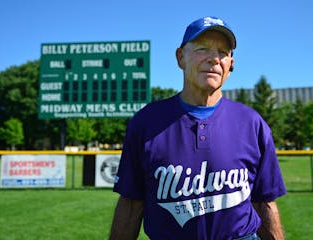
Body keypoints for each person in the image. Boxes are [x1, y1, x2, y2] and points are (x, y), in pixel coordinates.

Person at [110, 16, 286, 240]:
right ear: (180, 57)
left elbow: (265, 203)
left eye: (223, 52)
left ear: (230, 64)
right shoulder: (146, 122)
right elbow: (131, 203)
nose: (214, 58)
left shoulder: (251, 122)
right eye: (202, 49)